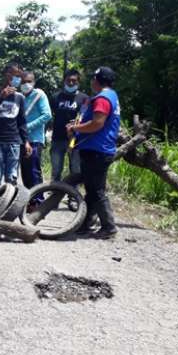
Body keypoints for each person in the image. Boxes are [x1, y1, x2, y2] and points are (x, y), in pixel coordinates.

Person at [67, 67, 121, 239]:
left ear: (98, 80)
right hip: (98, 148)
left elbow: (97, 123)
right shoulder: (111, 95)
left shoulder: (103, 99)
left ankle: (109, 226)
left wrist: (75, 127)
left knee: (96, 190)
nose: (91, 82)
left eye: (93, 79)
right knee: (91, 188)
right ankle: (85, 224)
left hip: (97, 150)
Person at [0, 62, 31, 201]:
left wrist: (26, 141)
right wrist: (0, 98)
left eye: (19, 76)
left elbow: (22, 121)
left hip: (14, 142)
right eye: (13, 74)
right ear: (6, 75)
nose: (16, 78)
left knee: (11, 178)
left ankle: (8, 208)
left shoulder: (20, 97)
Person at [50, 69, 89, 182]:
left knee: (76, 170)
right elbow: (50, 115)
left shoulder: (84, 98)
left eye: (74, 81)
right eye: (68, 81)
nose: (71, 83)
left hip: (77, 141)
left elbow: (86, 117)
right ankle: (54, 193)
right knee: (56, 169)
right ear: (64, 81)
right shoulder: (55, 97)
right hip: (57, 138)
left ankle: (73, 196)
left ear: (78, 82)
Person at [19, 71, 52, 202]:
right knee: (25, 172)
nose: (26, 84)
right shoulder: (21, 97)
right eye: (23, 82)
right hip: (22, 139)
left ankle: (38, 200)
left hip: (35, 139)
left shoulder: (39, 95)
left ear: (34, 82)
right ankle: (29, 200)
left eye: (29, 81)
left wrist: (28, 127)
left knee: (34, 171)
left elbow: (47, 115)